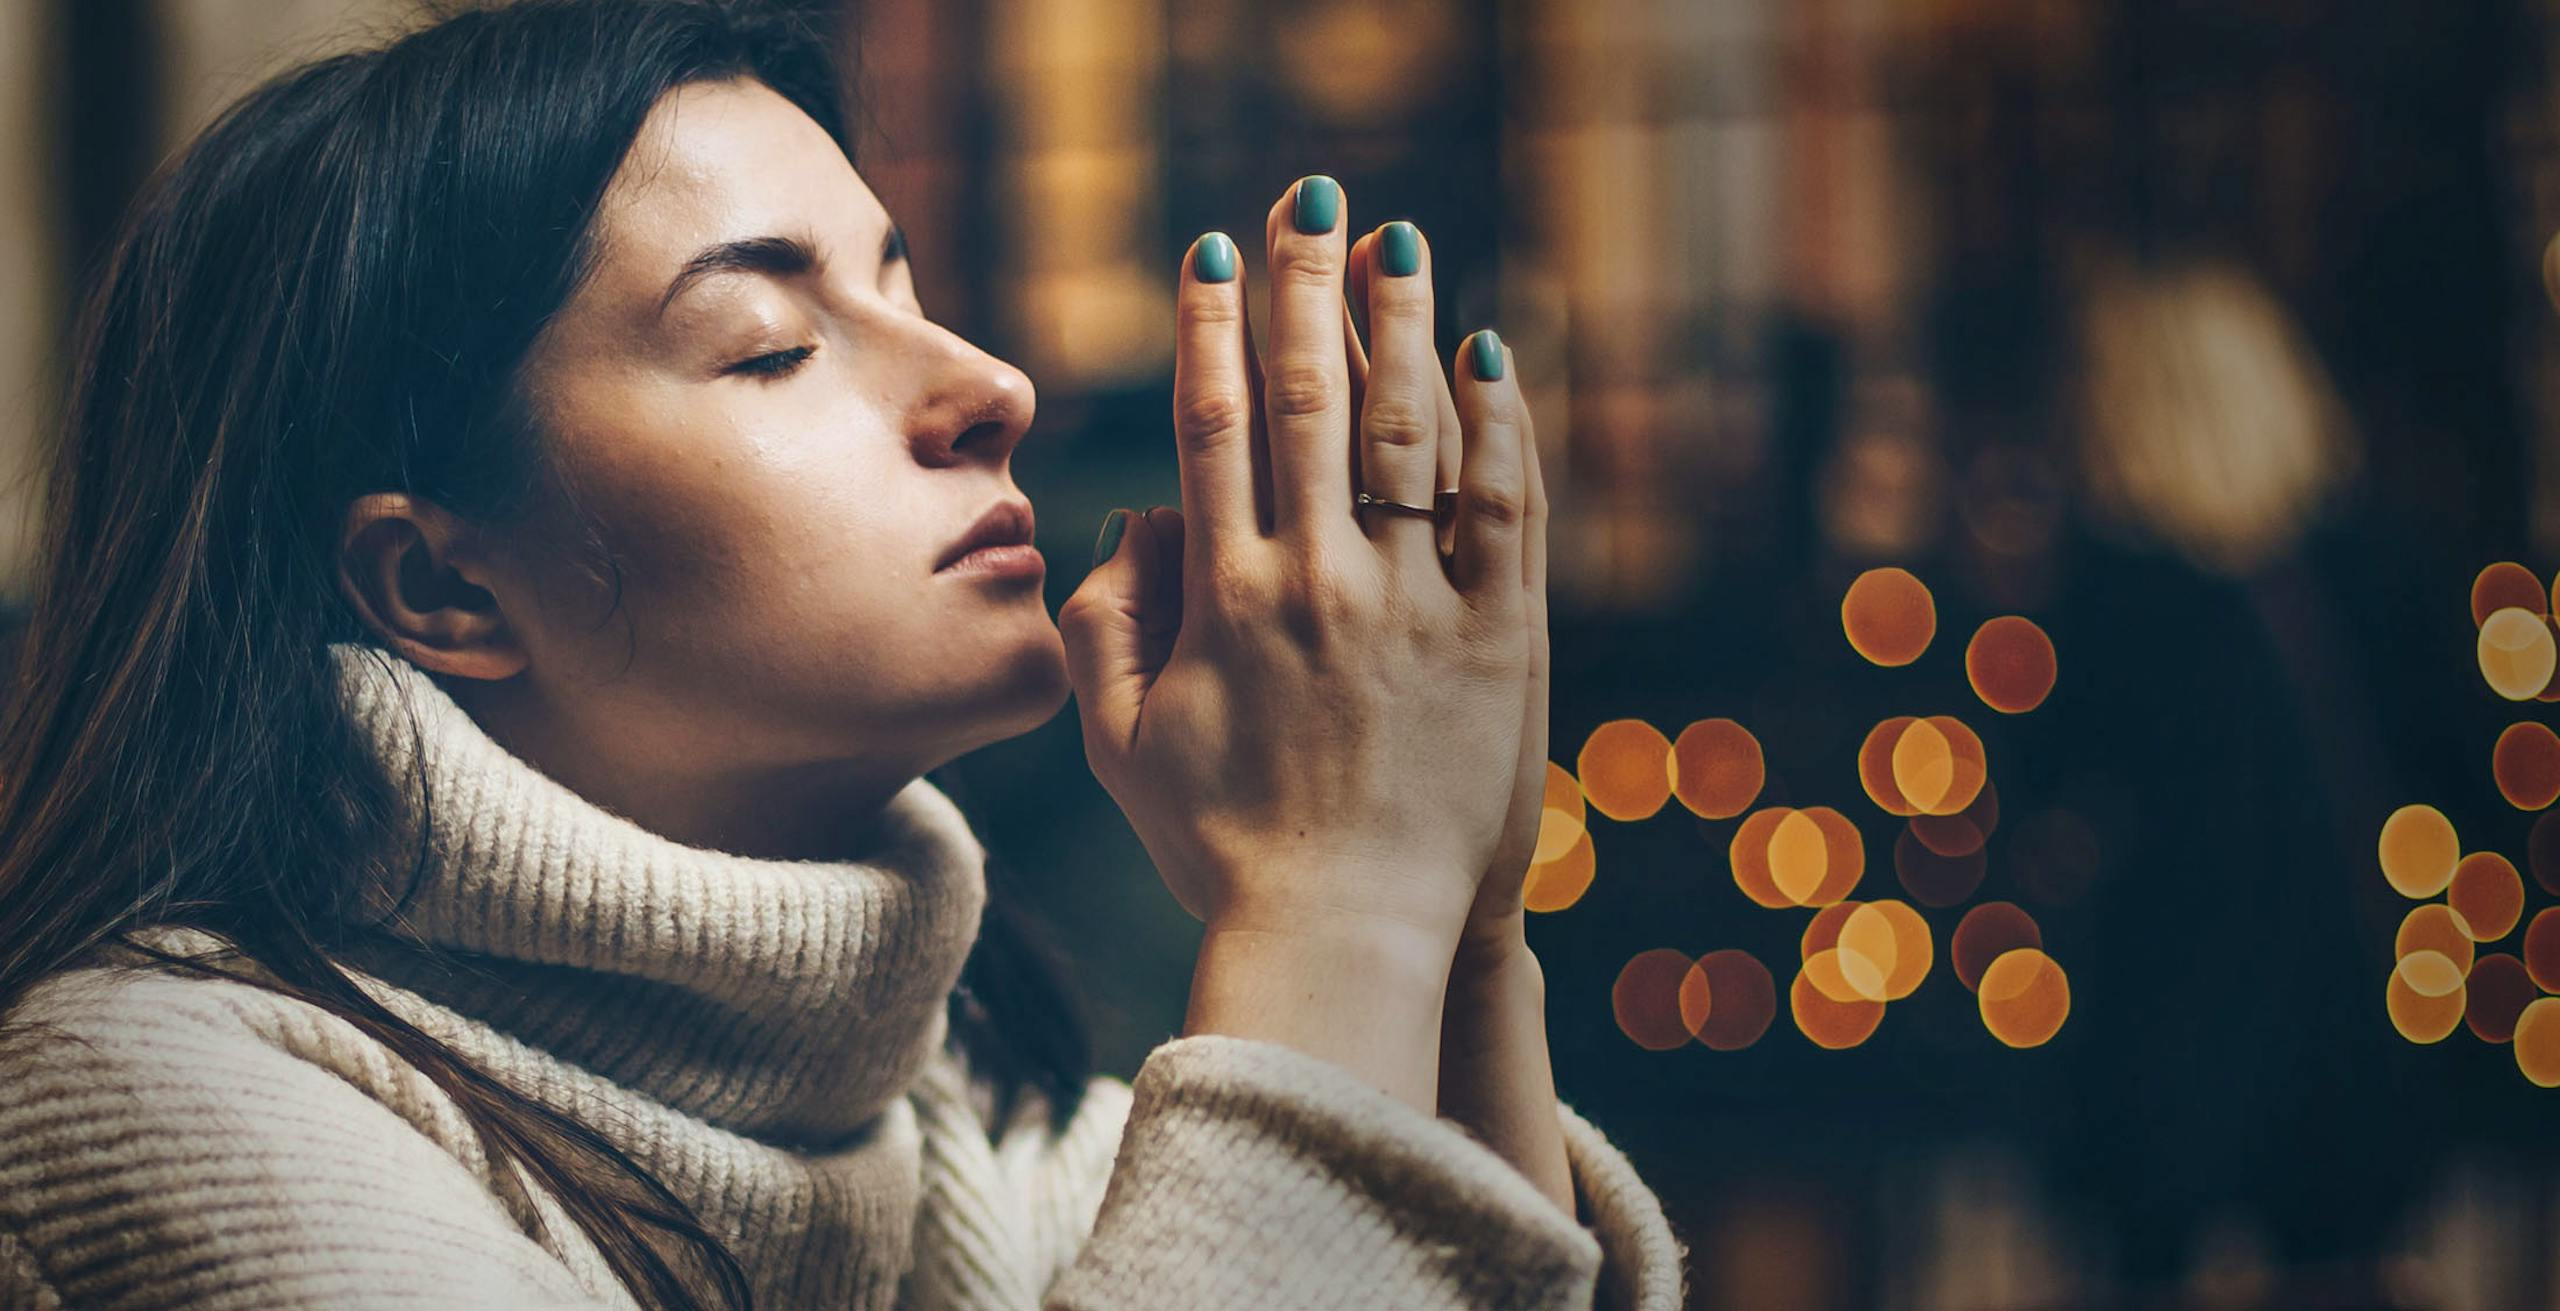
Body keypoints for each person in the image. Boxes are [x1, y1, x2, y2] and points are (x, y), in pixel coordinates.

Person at [0, 2, 1687, 1308]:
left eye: (908, 287)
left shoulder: (943, 1114)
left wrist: (1453, 920)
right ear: (441, 589)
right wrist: (1335, 903)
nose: (989, 386)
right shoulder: (153, 1095)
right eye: (775, 345)